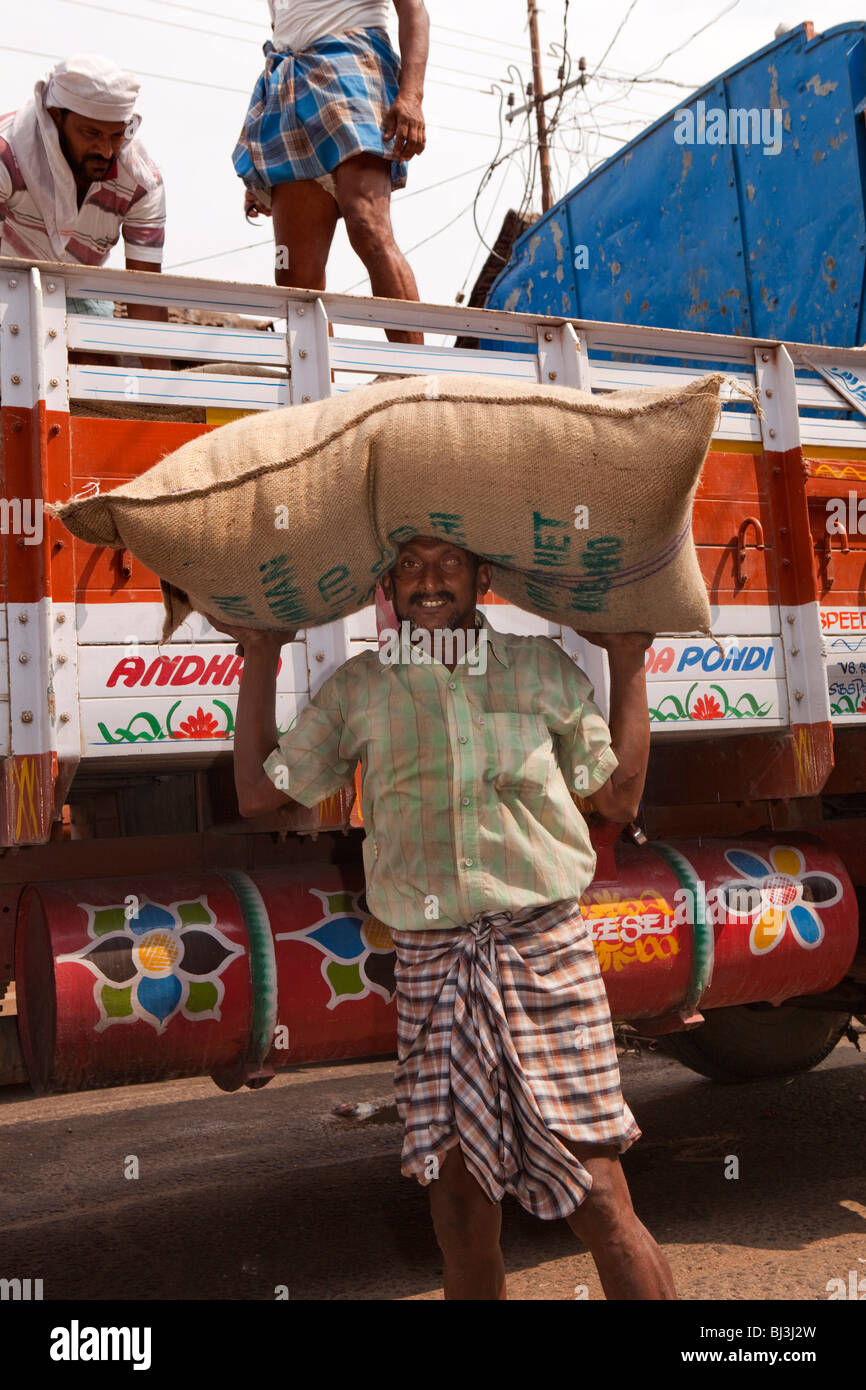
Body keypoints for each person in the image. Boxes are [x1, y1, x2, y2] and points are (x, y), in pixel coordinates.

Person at [206, 534, 676, 1301]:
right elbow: (264, 796)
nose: (429, 579)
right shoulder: (361, 686)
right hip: (434, 962)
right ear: (387, 587)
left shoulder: (538, 669)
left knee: (597, 1192)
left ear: (482, 577)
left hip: (542, 952)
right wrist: (260, 656)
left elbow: (616, 798)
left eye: (448, 562)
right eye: (410, 566)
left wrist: (627, 661)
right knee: (459, 1209)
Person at [234, 0, 428, 345]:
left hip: (350, 61)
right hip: (288, 81)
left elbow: (414, 10)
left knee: (368, 225)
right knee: (294, 275)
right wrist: (263, 174)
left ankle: (418, 383)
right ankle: (320, 396)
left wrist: (411, 95)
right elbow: (289, 25)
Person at [0, 53, 167, 325]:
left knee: (97, 357)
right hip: (6, 287)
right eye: (91, 134)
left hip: (77, 290)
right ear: (55, 117)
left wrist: (158, 369)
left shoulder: (142, 183)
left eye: (115, 135)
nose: (105, 150)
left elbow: (146, 299)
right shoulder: (7, 156)